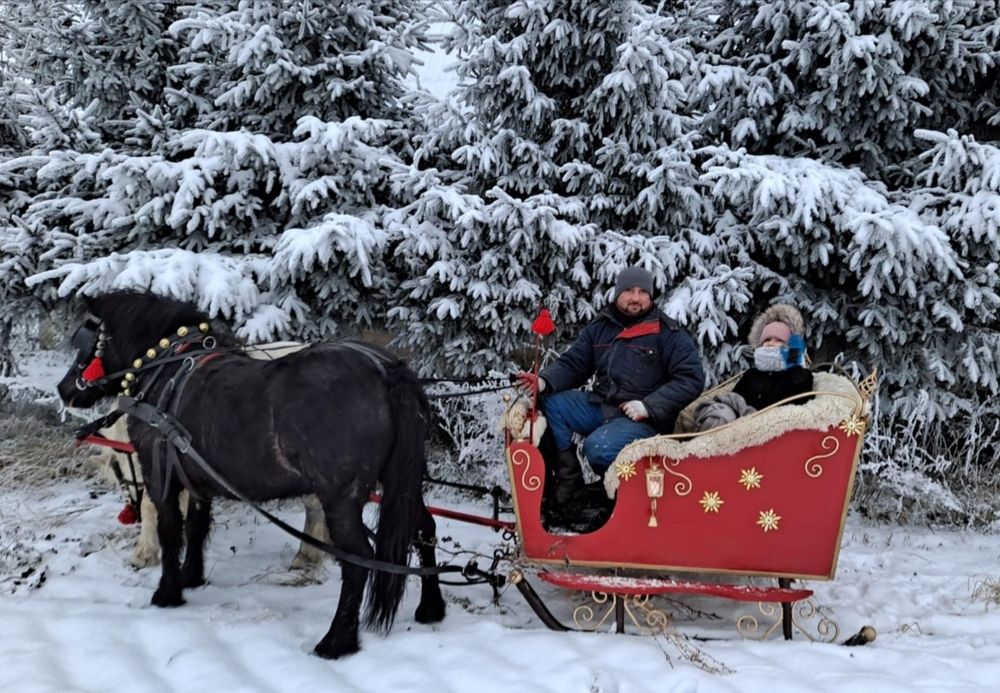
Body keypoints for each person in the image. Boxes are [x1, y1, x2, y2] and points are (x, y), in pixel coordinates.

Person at [517, 267, 705, 515]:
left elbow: (690, 378)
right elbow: (574, 364)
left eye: (642, 292)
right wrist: (543, 381)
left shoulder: (668, 334)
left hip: (643, 420)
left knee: (598, 448)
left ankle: (619, 503)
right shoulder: (601, 327)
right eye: (628, 290)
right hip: (603, 406)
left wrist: (648, 406)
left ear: (650, 296)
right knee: (553, 403)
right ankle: (570, 484)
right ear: (617, 294)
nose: (635, 298)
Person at [693, 303, 814, 431]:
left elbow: (800, 408)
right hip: (739, 428)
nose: (771, 344)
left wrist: (793, 360)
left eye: (778, 340)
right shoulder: (752, 374)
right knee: (719, 415)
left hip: (774, 431)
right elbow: (736, 399)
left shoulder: (798, 374)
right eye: (767, 340)